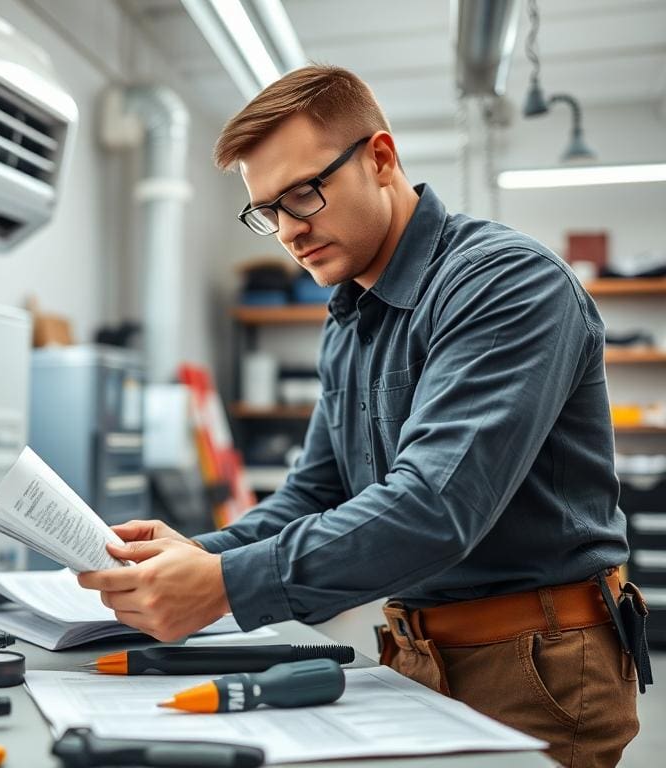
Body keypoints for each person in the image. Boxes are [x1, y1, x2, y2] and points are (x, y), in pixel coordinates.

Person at [78, 65, 644, 767]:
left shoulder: (505, 283)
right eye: (268, 211)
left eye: (304, 194)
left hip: (538, 666)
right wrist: (199, 556)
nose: (288, 231)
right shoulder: (350, 318)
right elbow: (316, 494)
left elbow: (436, 506)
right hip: (415, 654)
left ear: (380, 157)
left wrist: (223, 586)